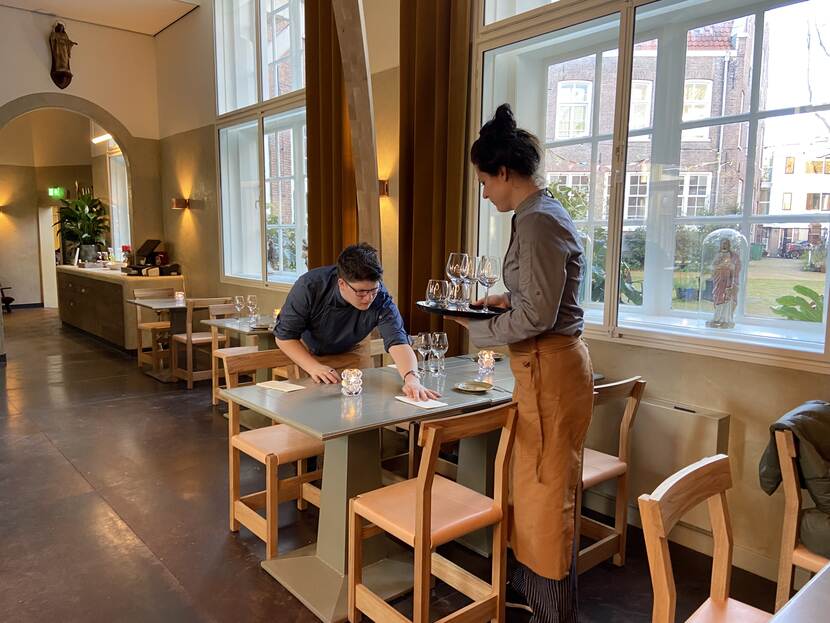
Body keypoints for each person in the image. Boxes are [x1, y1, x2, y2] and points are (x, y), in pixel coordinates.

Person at [453, 104, 594, 623]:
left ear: (505, 173)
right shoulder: (536, 216)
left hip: (549, 369)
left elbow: (539, 315)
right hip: (542, 368)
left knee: (545, 492)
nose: (484, 191)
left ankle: (553, 613)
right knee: (533, 486)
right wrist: (500, 302)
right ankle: (537, 596)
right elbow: (535, 299)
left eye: (484, 181)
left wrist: (476, 328)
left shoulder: (537, 223)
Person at [274, 243, 439, 401]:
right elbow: (284, 336)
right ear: (342, 284)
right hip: (308, 354)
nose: (368, 298)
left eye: (373, 290)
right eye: (360, 292)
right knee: (314, 414)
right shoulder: (309, 286)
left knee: (361, 406)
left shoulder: (380, 297)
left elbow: (398, 340)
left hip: (354, 350)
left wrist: (412, 378)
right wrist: (314, 367)